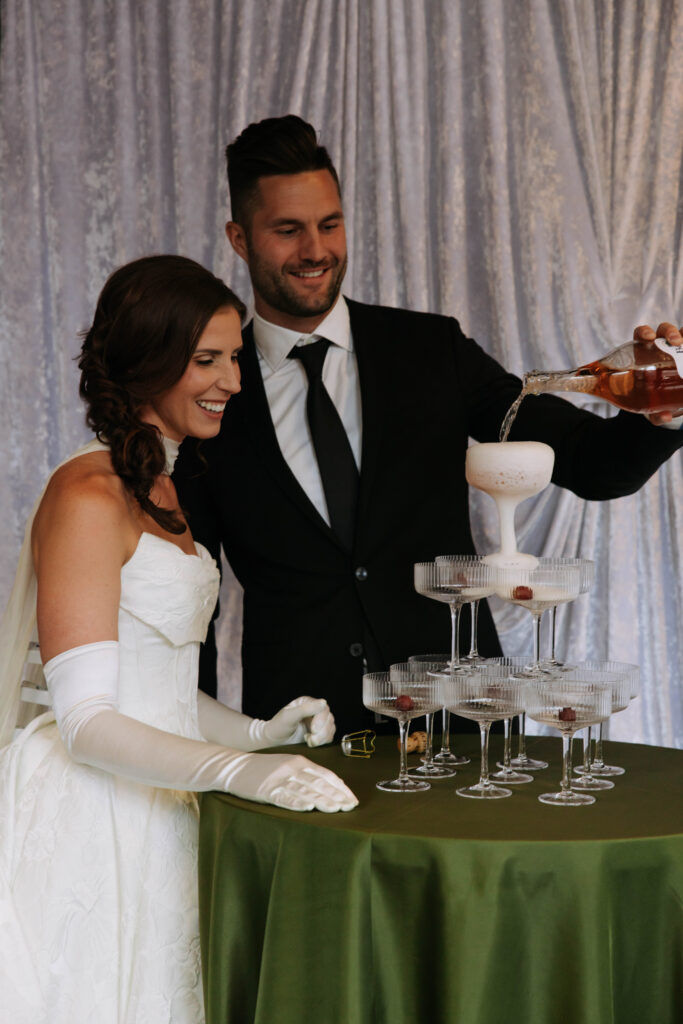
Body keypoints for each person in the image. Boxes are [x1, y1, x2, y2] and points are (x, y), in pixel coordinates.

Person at [173, 115, 683, 738]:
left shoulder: (429, 348)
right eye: (287, 230)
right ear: (239, 237)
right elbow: (193, 596)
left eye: (330, 224)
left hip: (462, 726)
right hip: (298, 735)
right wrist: (196, 759)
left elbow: (591, 463)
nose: (315, 250)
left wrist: (665, 415)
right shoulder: (210, 392)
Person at [0, 254, 357, 1024]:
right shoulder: (88, 495)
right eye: (207, 360)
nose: (232, 379)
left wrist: (258, 733)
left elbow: (155, 690)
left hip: (161, 808)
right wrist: (236, 770)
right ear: (147, 362)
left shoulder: (163, 487)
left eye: (233, 357)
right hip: (93, 822)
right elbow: (88, 719)